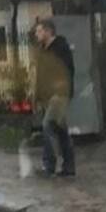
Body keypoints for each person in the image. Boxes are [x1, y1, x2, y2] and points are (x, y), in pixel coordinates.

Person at [34, 17, 76, 177]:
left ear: (48, 31)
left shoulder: (60, 48)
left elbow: (65, 72)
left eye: (39, 31)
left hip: (58, 95)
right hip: (47, 97)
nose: (36, 34)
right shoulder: (43, 50)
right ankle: (69, 167)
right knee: (61, 129)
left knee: (48, 125)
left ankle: (49, 166)